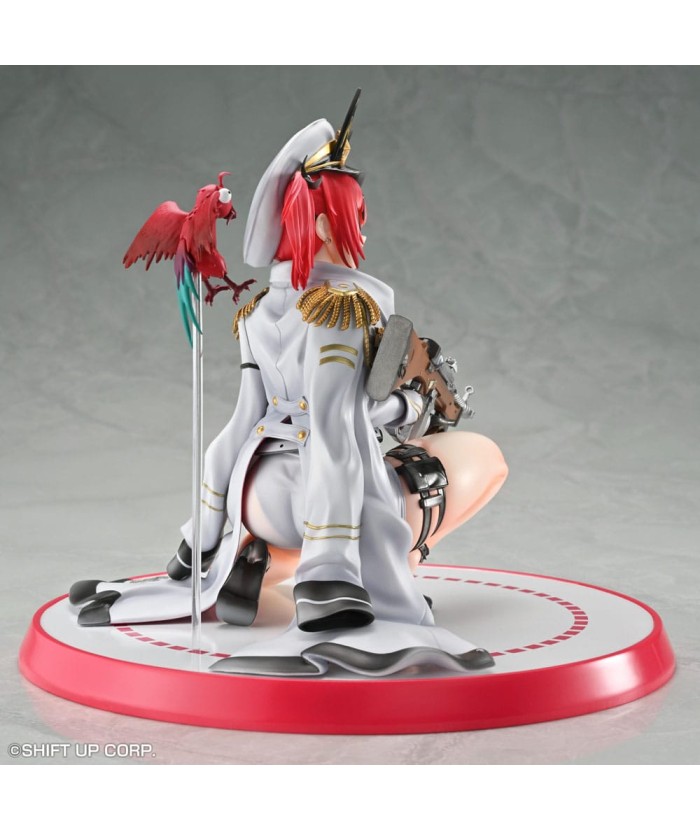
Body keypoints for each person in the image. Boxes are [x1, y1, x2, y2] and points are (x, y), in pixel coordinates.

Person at [70, 98, 508, 676]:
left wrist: (201, 534)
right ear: (325, 226)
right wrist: (409, 406)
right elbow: (336, 424)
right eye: (357, 219)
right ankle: (340, 585)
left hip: (249, 493)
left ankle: (227, 560)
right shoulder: (341, 309)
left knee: (324, 467)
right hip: (313, 504)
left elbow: (243, 421)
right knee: (469, 462)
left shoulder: (256, 312)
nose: (363, 231)